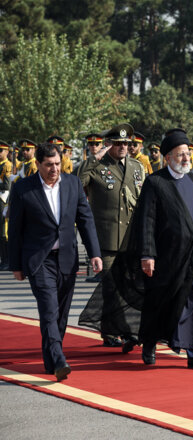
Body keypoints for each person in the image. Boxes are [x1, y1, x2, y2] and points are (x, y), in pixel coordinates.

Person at [8, 142, 102, 381]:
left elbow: (85, 219)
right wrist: (16, 264)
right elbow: (16, 229)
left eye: (57, 164)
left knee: (60, 314)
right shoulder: (23, 189)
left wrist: (95, 253)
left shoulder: (72, 184)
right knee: (49, 310)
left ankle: (51, 360)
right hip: (39, 260)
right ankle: (59, 358)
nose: (54, 169)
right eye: (48, 165)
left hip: (67, 258)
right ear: (37, 164)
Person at [130, 129, 193, 368]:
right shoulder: (155, 182)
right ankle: (149, 343)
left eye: (187, 154)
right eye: (180, 155)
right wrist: (147, 254)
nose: (186, 159)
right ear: (168, 157)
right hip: (165, 258)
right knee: (160, 301)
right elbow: (146, 221)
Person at [77, 123, 145, 346]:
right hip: (106, 239)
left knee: (129, 286)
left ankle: (115, 329)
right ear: (109, 145)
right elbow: (77, 184)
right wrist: (94, 158)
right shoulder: (97, 167)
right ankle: (118, 331)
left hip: (130, 239)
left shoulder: (137, 167)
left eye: (126, 143)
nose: (124, 147)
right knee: (111, 287)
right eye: (118, 143)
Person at [1, 141, 13, 270]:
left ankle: (6, 260)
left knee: (3, 232)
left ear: (6, 152)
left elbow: (6, 185)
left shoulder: (7, 165)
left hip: (3, 199)